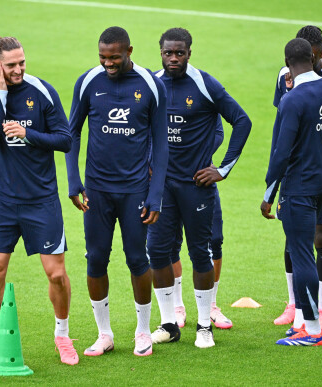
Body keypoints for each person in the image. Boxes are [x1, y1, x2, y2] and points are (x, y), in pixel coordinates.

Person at [0, 36, 78, 367]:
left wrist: (27, 134)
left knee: (56, 274)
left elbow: (65, 139)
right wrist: (2, 95)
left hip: (41, 199)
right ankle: (0, 341)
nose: (18, 69)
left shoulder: (41, 92)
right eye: (11, 65)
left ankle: (62, 335)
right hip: (3, 199)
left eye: (22, 63)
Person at [65, 26, 168, 357]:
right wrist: (73, 180)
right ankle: (104, 333)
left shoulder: (151, 85)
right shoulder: (88, 82)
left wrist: (156, 194)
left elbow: (162, 143)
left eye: (114, 57)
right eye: (102, 57)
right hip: (97, 190)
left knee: (138, 259)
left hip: (135, 189)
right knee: (96, 259)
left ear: (129, 51)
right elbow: (72, 133)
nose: (108, 63)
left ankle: (142, 332)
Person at [148, 28, 251, 348]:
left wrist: (223, 168)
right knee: (157, 253)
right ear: (160, 52)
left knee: (200, 254)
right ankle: (168, 324)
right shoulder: (151, 84)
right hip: (161, 188)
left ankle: (204, 325)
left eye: (179, 53)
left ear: (189, 53)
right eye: (168, 53)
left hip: (196, 188)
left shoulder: (205, 84)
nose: (173, 58)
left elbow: (242, 121)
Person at [272, 25, 322, 331]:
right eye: (318, 52)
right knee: (295, 237)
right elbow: (284, 120)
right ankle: (295, 304)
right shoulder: (284, 75)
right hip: (294, 171)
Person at [261, 37, 322, 346]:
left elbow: (281, 152)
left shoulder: (292, 100)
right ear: (312, 57)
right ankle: (307, 323)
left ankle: (312, 329)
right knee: (307, 251)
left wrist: (269, 193)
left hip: (299, 187)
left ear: (288, 63)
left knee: (302, 255)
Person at [168, 137, 231, 330]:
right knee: (169, 245)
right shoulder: (162, 105)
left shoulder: (207, 106)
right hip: (169, 181)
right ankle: (177, 307)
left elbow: (217, 133)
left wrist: (192, 152)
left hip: (201, 178)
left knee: (215, 241)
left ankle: (211, 305)